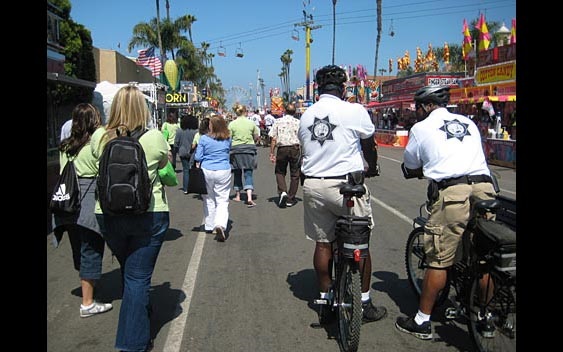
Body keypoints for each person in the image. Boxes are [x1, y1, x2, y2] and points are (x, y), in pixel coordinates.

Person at [395, 85, 497, 340]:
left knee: (438, 259)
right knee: (483, 258)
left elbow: (410, 164)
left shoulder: (421, 128)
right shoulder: (468, 122)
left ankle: (422, 321)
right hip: (485, 189)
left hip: (453, 193)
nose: (416, 112)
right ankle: (485, 318)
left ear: (427, 106)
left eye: (418, 107)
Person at [297, 65, 387, 325]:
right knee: (360, 243)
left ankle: (325, 299)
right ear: (344, 88)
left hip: (314, 185)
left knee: (323, 243)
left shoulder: (306, 116)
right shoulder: (353, 110)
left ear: (317, 88)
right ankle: (365, 302)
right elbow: (368, 142)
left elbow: (307, 149)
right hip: (347, 186)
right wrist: (370, 168)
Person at [91, 84, 170, 352]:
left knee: (130, 270)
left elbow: (94, 167)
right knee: (138, 278)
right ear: (143, 108)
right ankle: (132, 344)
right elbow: (163, 165)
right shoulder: (154, 137)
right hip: (148, 212)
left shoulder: (100, 137)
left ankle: (140, 316)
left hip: (109, 214)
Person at [51, 103, 113, 318]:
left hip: (67, 204)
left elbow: (62, 171)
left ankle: (88, 282)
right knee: (91, 248)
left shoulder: (65, 146)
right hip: (87, 201)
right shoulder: (93, 143)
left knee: (78, 247)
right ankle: (87, 302)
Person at [194, 114, 232, 241]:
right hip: (223, 169)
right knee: (222, 199)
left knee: (208, 198)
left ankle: (209, 225)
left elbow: (198, 157)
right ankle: (220, 224)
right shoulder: (227, 138)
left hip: (207, 169)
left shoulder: (204, 139)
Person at [268, 103, 301, 208]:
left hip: (282, 148)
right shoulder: (298, 122)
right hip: (295, 148)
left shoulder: (278, 121)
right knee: (295, 174)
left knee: (280, 171)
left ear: (284, 111)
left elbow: (273, 138)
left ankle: (283, 191)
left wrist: (272, 152)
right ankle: (291, 198)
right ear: (294, 112)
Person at [228, 103, 260, 207]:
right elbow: (256, 136)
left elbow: (229, 138)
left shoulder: (232, 124)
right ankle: (249, 197)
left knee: (237, 172)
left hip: (236, 149)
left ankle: (238, 195)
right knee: (248, 173)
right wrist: (252, 141)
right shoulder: (251, 123)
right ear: (245, 111)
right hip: (249, 149)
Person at [174, 114, 199, 194]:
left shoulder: (179, 131)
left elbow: (176, 143)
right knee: (194, 169)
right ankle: (195, 186)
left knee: (186, 170)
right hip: (194, 152)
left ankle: (185, 188)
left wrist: (177, 150)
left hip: (182, 152)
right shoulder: (196, 131)